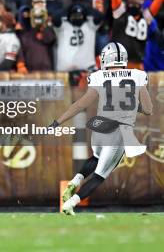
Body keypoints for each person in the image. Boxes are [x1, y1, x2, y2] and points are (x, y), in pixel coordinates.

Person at [52, 42, 152, 216]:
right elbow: (149, 109)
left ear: (107, 58)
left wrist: (58, 121)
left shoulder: (99, 76)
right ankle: (71, 204)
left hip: (100, 127)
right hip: (119, 131)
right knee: (100, 175)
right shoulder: (137, 75)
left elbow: (80, 104)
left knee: (97, 157)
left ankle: (76, 179)